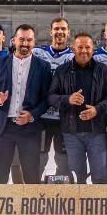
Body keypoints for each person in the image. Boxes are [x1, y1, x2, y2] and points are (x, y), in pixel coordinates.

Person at [0, 24, 53, 184]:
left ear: (34, 42)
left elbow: (47, 99)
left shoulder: (43, 66)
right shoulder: (0, 63)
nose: (25, 43)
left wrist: (32, 115)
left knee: (31, 177)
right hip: (3, 128)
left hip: (29, 129)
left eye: (29, 40)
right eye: (21, 39)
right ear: (14, 40)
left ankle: (31, 208)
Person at [48, 33, 107, 184]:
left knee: (100, 178)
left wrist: (97, 110)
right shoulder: (62, 71)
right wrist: (68, 99)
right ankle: (79, 208)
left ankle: (100, 207)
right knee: (75, 179)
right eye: (80, 47)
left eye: (87, 47)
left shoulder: (102, 70)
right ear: (73, 48)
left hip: (97, 133)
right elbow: (51, 97)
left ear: (93, 49)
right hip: (71, 134)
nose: (84, 51)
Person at [32, 17, 74, 179]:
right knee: (39, 158)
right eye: (56, 28)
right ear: (51, 31)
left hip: (64, 117)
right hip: (41, 116)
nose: (60, 32)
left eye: (63, 29)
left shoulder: (73, 56)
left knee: (64, 160)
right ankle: (33, 193)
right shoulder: (37, 53)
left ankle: (62, 194)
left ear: (68, 32)